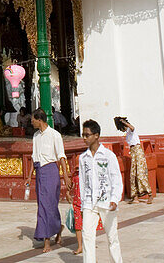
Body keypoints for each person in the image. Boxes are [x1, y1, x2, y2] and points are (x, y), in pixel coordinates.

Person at [77, 119, 124, 263]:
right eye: (83, 135)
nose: (84, 138)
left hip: (107, 201)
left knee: (112, 237)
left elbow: (116, 179)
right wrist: (83, 203)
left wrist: (115, 199)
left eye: (87, 135)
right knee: (87, 236)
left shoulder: (108, 156)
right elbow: (83, 181)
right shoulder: (83, 158)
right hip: (90, 202)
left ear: (96, 135)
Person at [24, 108, 68, 252]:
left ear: (40, 120)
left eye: (33, 120)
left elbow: (61, 156)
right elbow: (33, 157)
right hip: (39, 171)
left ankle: (47, 240)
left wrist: (65, 176)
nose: (31, 122)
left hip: (51, 171)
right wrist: (29, 176)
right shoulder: (36, 136)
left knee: (49, 204)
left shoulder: (55, 135)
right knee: (43, 205)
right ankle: (56, 228)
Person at [114, 116, 153, 204]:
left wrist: (123, 122)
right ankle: (135, 197)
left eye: (121, 129)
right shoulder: (127, 133)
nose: (121, 131)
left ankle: (150, 194)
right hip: (133, 152)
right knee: (133, 175)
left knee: (140, 173)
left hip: (138, 151)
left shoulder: (130, 129)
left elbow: (132, 127)